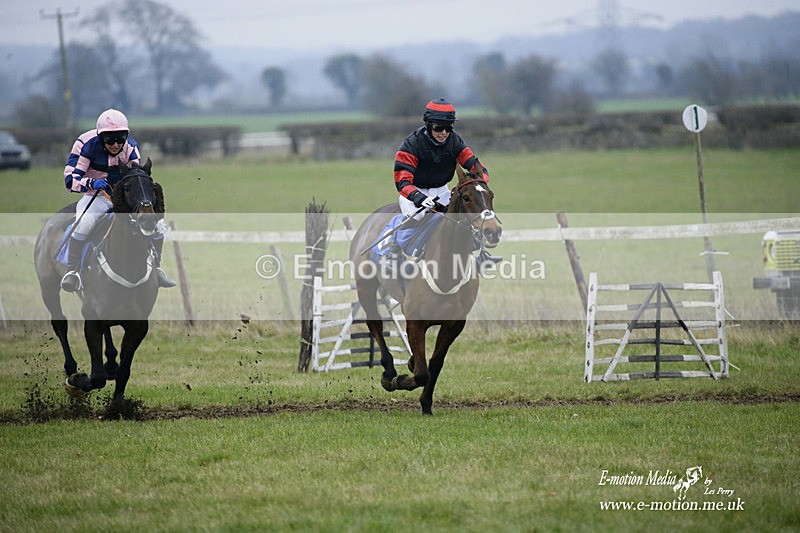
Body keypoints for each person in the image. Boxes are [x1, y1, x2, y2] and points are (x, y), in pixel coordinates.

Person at [60, 108, 176, 292]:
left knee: (158, 226)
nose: (115, 144)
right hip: (95, 197)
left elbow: (134, 177)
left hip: (122, 198)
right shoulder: (85, 144)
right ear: (101, 137)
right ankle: (72, 271)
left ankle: (157, 268)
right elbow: (69, 180)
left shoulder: (131, 147)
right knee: (85, 223)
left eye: (120, 139)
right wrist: (91, 183)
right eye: (110, 139)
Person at [391, 98, 501, 264]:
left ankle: (480, 253)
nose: (444, 132)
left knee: (463, 215)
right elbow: (402, 182)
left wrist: (480, 181)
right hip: (414, 192)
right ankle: (393, 252)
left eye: (448, 128)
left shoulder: (454, 141)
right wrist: (419, 198)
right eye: (438, 127)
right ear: (428, 125)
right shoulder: (411, 145)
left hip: (441, 190)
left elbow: (476, 166)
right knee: (418, 217)